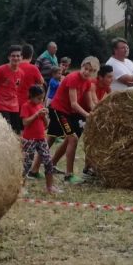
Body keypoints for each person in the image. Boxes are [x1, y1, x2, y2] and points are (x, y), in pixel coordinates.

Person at [49, 56, 100, 184]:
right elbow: (74, 104)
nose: (86, 72)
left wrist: (97, 112)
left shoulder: (88, 82)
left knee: (66, 139)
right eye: (85, 68)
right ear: (81, 66)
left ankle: (51, 165)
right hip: (59, 110)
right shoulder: (72, 78)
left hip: (67, 113)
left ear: (93, 72)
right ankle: (68, 175)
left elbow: (89, 103)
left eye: (90, 70)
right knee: (72, 138)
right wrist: (88, 115)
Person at [20, 85, 61, 194]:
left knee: (48, 162)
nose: (41, 100)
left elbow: (46, 125)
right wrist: (36, 114)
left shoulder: (40, 105)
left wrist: (44, 117)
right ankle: (20, 187)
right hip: (29, 140)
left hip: (41, 138)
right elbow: (25, 122)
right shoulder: (26, 106)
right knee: (27, 164)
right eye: (38, 98)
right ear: (31, 96)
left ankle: (49, 187)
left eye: (42, 98)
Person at [0, 46, 26, 133]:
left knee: (17, 132)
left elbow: (17, 88)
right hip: (1, 105)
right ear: (9, 57)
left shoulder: (21, 73)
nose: (16, 58)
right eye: (13, 56)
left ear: (21, 57)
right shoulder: (0, 70)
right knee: (4, 132)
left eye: (18, 56)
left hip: (14, 107)